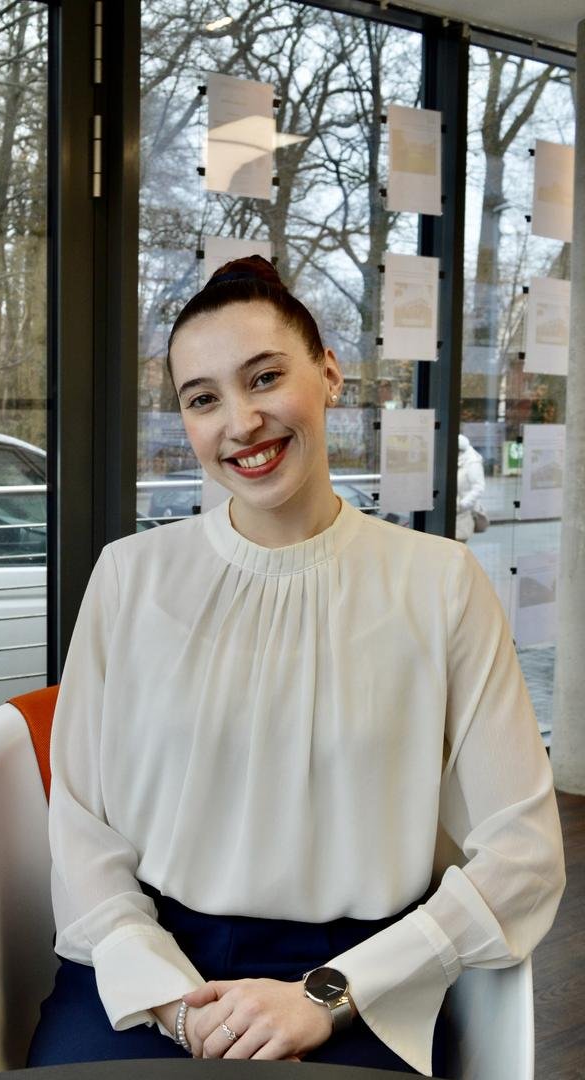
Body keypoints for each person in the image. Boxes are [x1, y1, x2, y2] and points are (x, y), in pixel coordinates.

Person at [27, 256, 564, 1076]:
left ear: (330, 374)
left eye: (265, 378)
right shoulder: (130, 577)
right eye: (202, 399)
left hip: (363, 978)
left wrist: (327, 995)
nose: (241, 422)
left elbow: (524, 854)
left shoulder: (442, 583)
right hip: (152, 957)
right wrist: (174, 1000)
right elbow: (80, 825)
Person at [455, 434, 487, 543]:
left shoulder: (472, 463)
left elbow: (479, 487)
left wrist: (462, 505)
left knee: (458, 546)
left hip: (463, 514)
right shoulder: (458, 461)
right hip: (453, 513)